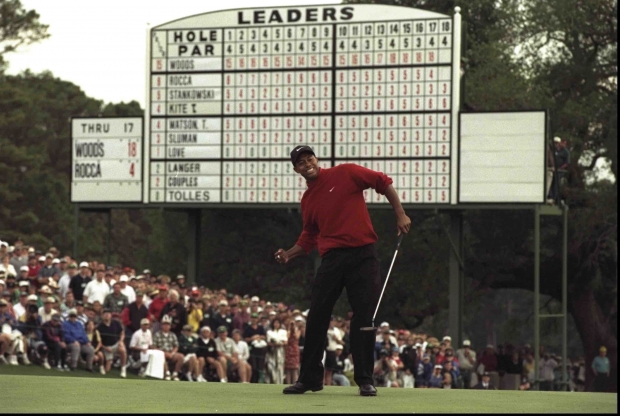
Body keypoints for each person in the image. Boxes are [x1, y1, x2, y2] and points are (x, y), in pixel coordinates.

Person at [275, 146, 411, 397]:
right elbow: (309, 236)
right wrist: (289, 254)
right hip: (332, 259)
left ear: (316, 159)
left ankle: (365, 380)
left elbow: (382, 182)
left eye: (309, 158)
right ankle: (309, 379)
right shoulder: (308, 199)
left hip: (363, 255)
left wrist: (400, 213)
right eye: (301, 163)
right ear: (296, 170)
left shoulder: (346, 172)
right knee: (317, 315)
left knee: (363, 317)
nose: (307, 164)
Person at [152, 315, 183, 381]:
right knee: (162, 355)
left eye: (168, 324)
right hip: (161, 353)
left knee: (181, 356)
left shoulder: (173, 335)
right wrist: (164, 352)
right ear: (161, 325)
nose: (166, 326)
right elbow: (154, 347)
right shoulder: (157, 334)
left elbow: (176, 346)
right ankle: (167, 373)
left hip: (171, 353)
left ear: (170, 326)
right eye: (164, 324)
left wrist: (172, 353)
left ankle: (175, 374)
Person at [97, 309, 127, 377]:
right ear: (102, 316)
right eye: (105, 314)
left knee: (122, 350)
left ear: (111, 315)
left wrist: (121, 341)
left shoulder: (116, 323)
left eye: (109, 314)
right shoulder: (99, 327)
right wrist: (106, 348)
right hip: (106, 347)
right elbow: (99, 341)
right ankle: (110, 361)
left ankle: (123, 369)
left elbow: (122, 333)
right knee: (107, 370)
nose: (107, 315)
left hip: (115, 344)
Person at [243, 312, 268, 383]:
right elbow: (245, 339)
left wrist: (258, 337)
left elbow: (264, 336)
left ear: (257, 319)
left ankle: (259, 381)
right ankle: (252, 381)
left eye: (255, 318)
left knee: (260, 367)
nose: (254, 319)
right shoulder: (247, 328)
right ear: (250, 319)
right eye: (253, 318)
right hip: (252, 350)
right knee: (253, 367)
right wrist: (252, 338)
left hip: (260, 350)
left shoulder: (260, 328)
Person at [266, 318, 288, 384]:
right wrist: (274, 344)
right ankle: (272, 381)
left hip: (280, 351)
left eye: (277, 323)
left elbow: (285, 342)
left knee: (280, 366)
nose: (276, 324)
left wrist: (281, 344)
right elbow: (268, 342)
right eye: (275, 323)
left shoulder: (283, 332)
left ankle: (280, 382)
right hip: (272, 351)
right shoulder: (269, 332)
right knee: (271, 366)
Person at [285, 319, 301, 384]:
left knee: (295, 369)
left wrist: (294, 329)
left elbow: (297, 337)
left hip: (295, 350)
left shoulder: (298, 331)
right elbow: (287, 338)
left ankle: (295, 383)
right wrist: (289, 329)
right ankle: (288, 384)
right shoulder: (287, 331)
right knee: (288, 369)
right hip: (288, 350)